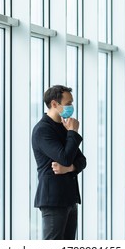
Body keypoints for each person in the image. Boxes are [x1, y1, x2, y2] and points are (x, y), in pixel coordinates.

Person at [31, 85, 86, 240]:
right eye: (68, 103)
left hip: (70, 198)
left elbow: (81, 161)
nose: (71, 107)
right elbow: (65, 158)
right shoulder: (42, 130)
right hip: (54, 200)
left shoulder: (63, 127)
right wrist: (73, 132)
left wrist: (69, 169)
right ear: (54, 104)